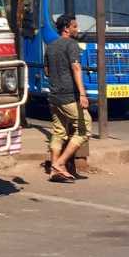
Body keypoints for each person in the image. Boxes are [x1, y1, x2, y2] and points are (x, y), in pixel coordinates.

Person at [44, 13, 92, 182]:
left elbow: (46, 71)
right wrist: (82, 94)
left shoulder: (50, 46)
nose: (77, 30)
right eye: (74, 27)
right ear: (66, 28)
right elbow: (76, 68)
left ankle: (53, 170)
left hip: (53, 95)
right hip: (68, 95)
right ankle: (60, 164)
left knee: (58, 131)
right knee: (84, 129)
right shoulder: (71, 45)